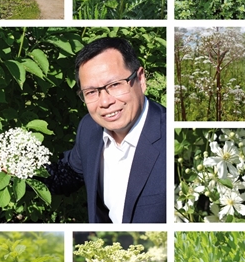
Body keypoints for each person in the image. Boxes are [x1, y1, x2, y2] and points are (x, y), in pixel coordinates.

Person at [46, 37, 166, 223]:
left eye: (115, 85)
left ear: (141, 79)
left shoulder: (170, 139)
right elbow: (67, 174)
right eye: (91, 92)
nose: (105, 102)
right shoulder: (90, 129)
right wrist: (13, 166)